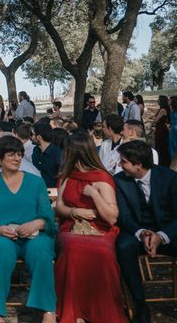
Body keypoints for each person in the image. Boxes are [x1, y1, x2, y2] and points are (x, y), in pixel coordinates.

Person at [0, 136, 56, 323]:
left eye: (20, 154)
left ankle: (48, 309)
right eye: (11, 154)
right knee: (1, 252)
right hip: (3, 236)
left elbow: (49, 219)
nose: (17, 158)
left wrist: (35, 224)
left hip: (34, 234)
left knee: (41, 252)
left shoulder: (36, 182)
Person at [54, 132, 128, 323]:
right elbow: (59, 207)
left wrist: (95, 195)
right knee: (71, 247)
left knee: (101, 251)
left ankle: (98, 307)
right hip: (72, 226)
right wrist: (75, 212)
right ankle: (74, 308)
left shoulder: (101, 177)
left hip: (100, 228)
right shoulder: (66, 176)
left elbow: (112, 217)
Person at [114, 140, 177, 323]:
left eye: (123, 161)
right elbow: (123, 216)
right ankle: (140, 305)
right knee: (123, 247)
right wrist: (142, 233)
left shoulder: (170, 178)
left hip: (168, 233)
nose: (119, 164)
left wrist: (162, 236)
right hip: (136, 232)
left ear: (138, 165)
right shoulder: (119, 181)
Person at [31, 121, 63, 188]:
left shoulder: (57, 153)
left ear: (39, 137)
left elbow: (62, 176)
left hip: (52, 191)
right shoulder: (36, 150)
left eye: (33, 134)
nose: (31, 137)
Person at [152, 95, 171, 167]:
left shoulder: (162, 110)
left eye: (158, 99)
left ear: (161, 101)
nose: (157, 100)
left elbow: (156, 120)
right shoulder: (163, 109)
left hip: (161, 129)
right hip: (161, 128)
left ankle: (161, 163)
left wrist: (154, 119)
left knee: (160, 146)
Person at [170, 96, 177, 165]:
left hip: (174, 129)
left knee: (172, 145)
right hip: (174, 127)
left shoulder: (172, 110)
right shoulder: (172, 109)